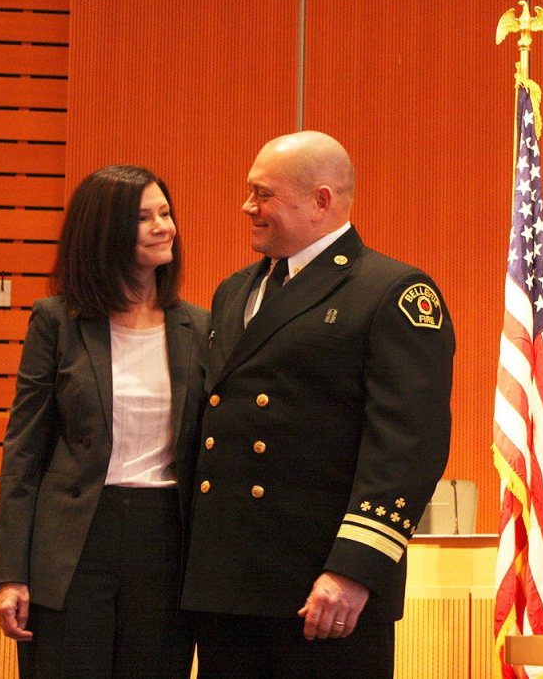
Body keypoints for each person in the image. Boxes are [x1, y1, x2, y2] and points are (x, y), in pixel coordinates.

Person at [181, 131, 455, 678]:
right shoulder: (234, 291)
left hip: (321, 590)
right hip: (228, 589)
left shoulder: (391, 291)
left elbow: (407, 448)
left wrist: (354, 571)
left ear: (321, 201)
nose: (247, 207)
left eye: (263, 195)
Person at [0, 165, 209, 677]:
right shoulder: (56, 321)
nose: (165, 226)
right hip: (72, 542)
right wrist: (10, 575)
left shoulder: (200, 326)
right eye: (144, 218)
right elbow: (23, 452)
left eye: (166, 212)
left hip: (166, 540)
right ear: (104, 232)